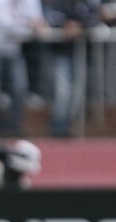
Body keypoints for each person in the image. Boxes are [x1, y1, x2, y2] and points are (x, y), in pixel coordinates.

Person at [0, 0, 45, 137]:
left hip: (14, 49)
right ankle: (0, 128)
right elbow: (5, 24)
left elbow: (38, 19)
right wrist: (29, 26)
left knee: (19, 88)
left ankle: (14, 127)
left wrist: (33, 24)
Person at [43, 0, 100, 137]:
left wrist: (80, 26)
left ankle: (70, 125)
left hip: (80, 53)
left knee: (77, 93)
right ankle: (58, 127)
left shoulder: (85, 5)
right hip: (61, 53)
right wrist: (65, 25)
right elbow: (51, 18)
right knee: (62, 91)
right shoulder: (58, 4)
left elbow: (94, 18)